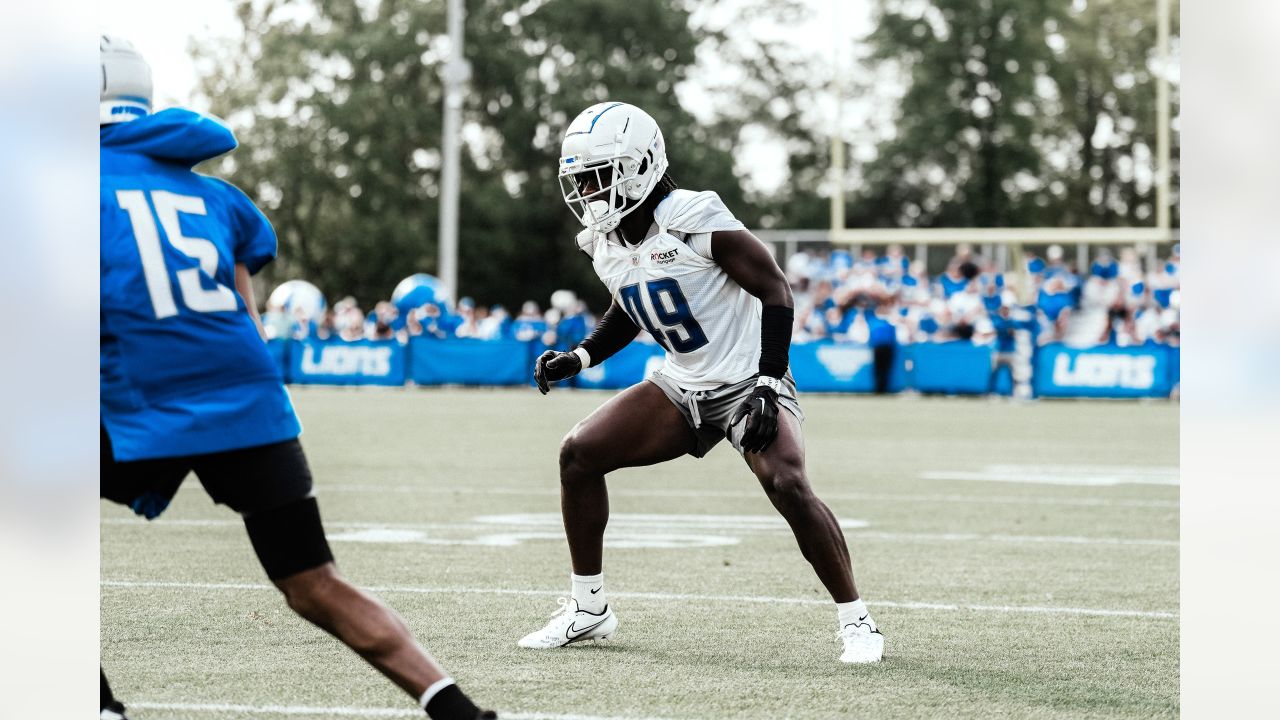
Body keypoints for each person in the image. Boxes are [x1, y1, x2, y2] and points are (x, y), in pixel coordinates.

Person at [97, 35, 495, 720]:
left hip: (144, 404)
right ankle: (461, 713)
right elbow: (248, 324)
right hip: (249, 403)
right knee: (314, 582)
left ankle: (96, 705)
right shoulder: (215, 197)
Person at [520, 102, 883, 663]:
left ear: (640, 165)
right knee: (578, 453)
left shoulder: (692, 215)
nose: (590, 191)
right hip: (681, 383)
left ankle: (857, 622)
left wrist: (767, 381)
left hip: (745, 379)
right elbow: (631, 305)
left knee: (786, 482)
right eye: (583, 180)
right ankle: (588, 609)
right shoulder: (605, 240)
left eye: (599, 175)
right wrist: (583, 355)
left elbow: (775, 289)